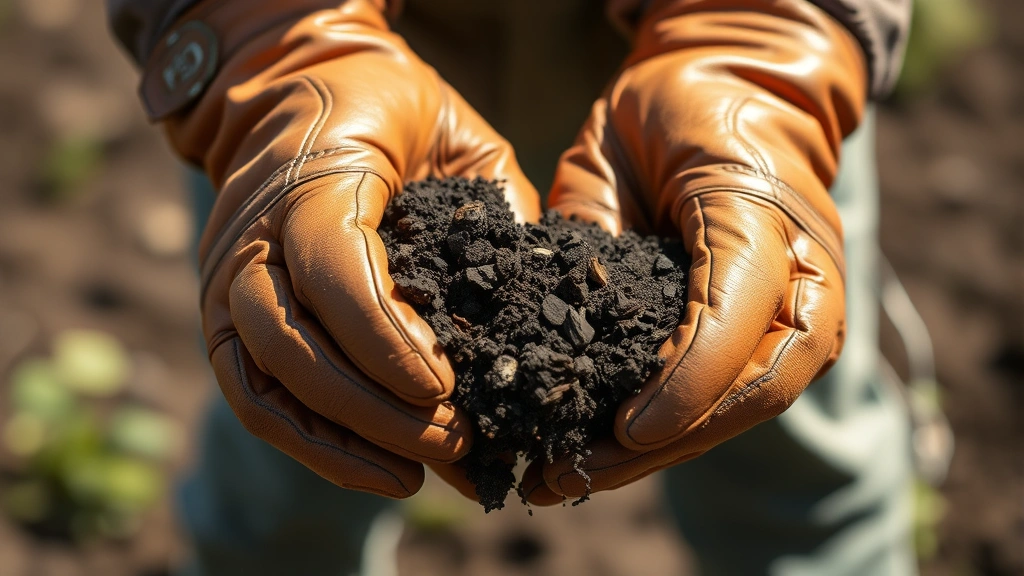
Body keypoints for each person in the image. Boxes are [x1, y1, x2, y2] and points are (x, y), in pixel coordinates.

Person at [107, 0, 916, 574]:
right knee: (309, 408)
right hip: (345, 85)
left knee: (780, 426)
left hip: (709, 88)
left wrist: (767, 42)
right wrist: (269, 43)